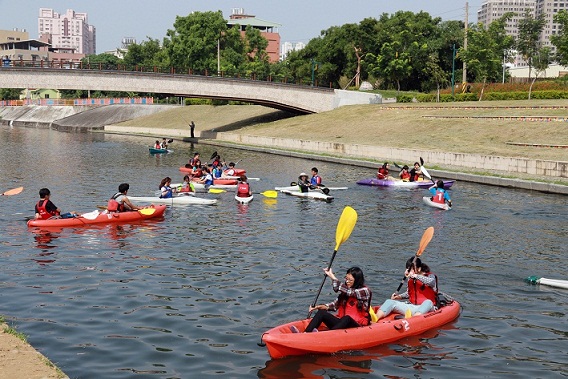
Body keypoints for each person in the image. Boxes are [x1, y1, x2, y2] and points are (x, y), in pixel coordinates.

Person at [293, 266, 371, 333]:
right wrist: (319, 307)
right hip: (342, 324)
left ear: (357, 281)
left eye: (350, 280)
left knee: (346, 318)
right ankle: (306, 333)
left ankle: (328, 336)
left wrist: (332, 276)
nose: (347, 281)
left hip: (357, 325)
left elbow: (349, 292)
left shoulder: (364, 291)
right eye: (346, 278)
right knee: (322, 313)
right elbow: (334, 306)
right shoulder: (344, 294)